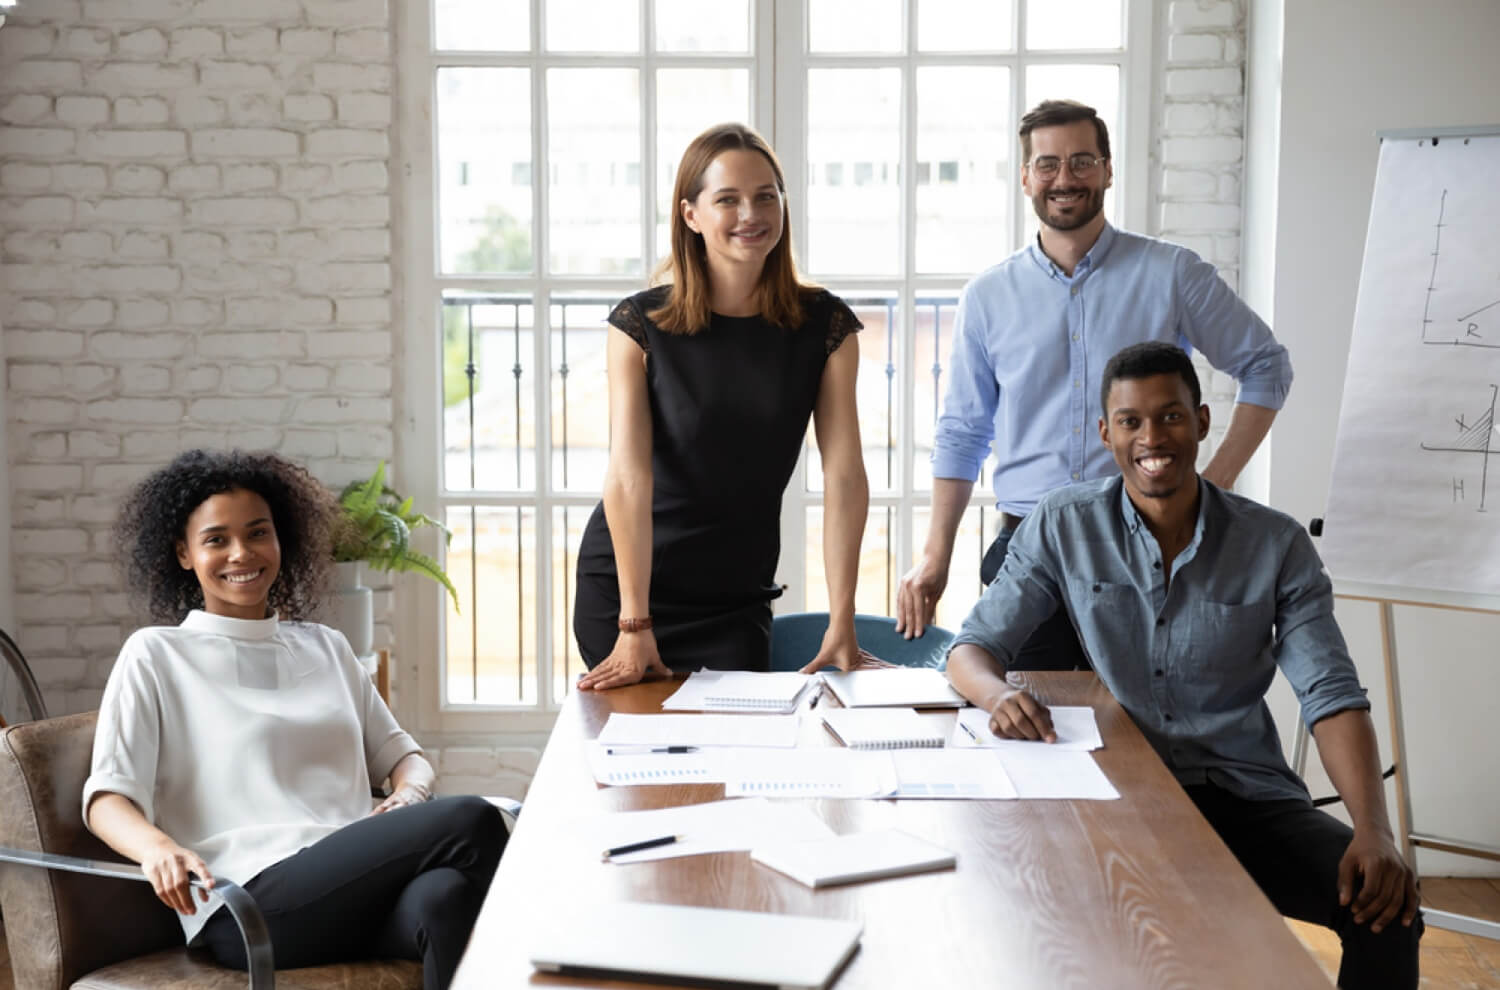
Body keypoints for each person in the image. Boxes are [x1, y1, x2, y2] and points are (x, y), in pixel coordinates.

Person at [945, 342, 1422, 989]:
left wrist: (1375, 830)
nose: (1152, 438)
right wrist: (997, 695)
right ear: (1106, 433)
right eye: (1131, 421)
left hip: (1244, 797)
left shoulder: (1275, 543)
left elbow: (1330, 693)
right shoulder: (1064, 524)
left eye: (1169, 416)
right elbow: (972, 649)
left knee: (1388, 912)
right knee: (1045, 915)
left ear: (1200, 421)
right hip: (1120, 798)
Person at [895, 99, 1294, 671]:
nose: (1065, 178)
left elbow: (1266, 366)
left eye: (1082, 161)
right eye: (1048, 164)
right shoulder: (987, 297)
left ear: (1108, 170)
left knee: (1149, 719)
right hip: (1029, 553)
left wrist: (1216, 482)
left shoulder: (1172, 274)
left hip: (1149, 547)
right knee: (1026, 716)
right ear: (1026, 178)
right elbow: (963, 433)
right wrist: (936, 556)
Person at [86, 449, 504, 989]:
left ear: (281, 540)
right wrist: (158, 849)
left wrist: (408, 796)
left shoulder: (326, 647)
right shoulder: (157, 655)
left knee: (446, 898)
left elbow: (406, 758)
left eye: (258, 533)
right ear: (184, 554)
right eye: (216, 540)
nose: (241, 553)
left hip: (352, 887)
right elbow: (107, 799)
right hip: (249, 900)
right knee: (473, 818)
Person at [574, 122, 873, 689]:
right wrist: (635, 622)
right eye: (728, 199)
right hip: (632, 593)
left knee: (737, 746)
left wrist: (843, 617)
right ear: (691, 215)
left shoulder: (826, 326)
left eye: (766, 196)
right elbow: (629, 478)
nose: (750, 214)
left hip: (737, 599)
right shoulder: (640, 325)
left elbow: (845, 477)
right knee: (645, 744)